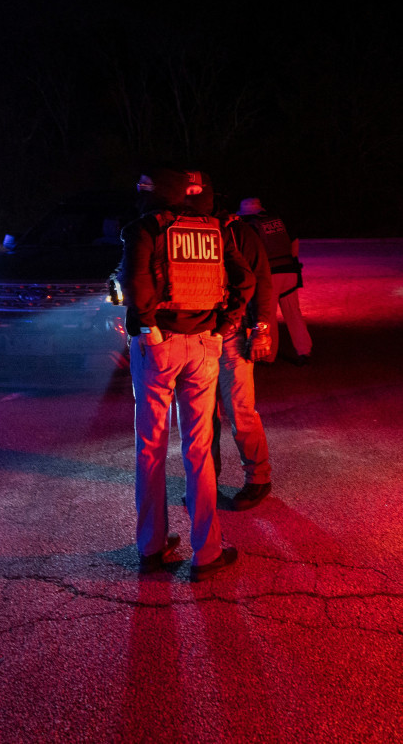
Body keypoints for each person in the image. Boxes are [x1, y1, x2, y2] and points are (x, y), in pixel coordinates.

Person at [117, 167, 255, 580]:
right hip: (203, 347)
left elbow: (135, 281)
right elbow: (244, 280)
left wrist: (152, 331)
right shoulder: (214, 230)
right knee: (199, 449)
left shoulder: (145, 228)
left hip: (158, 347)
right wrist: (223, 327)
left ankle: (151, 548)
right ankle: (206, 552)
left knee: (150, 448)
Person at [190, 182, 275, 511]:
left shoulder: (237, 232)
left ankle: (258, 479)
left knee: (240, 412)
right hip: (196, 335)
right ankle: (206, 481)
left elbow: (261, 281)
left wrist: (262, 329)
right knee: (202, 416)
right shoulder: (181, 230)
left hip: (232, 335)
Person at [238, 197, 311, 365]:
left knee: (268, 315)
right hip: (290, 272)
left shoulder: (250, 227)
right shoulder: (277, 221)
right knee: (294, 313)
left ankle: (269, 355)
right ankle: (304, 351)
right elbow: (294, 241)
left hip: (270, 274)